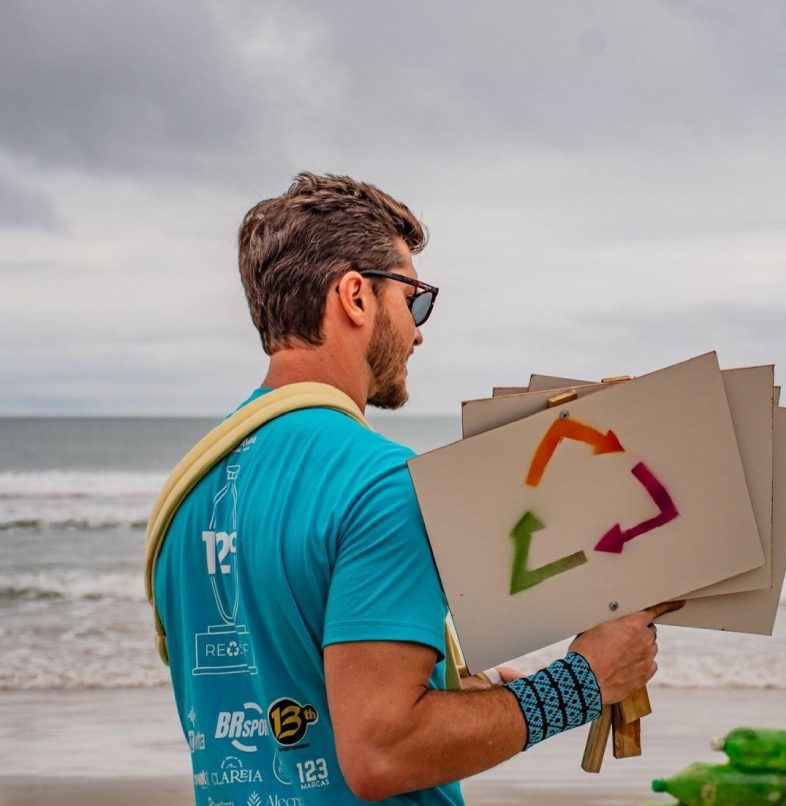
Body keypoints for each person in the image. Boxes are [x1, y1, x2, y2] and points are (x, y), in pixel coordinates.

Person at [151, 172, 682, 804]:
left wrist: (457, 691)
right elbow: (382, 750)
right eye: (414, 300)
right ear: (355, 296)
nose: (419, 330)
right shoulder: (381, 484)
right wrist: (582, 682)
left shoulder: (188, 493)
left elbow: (287, 687)